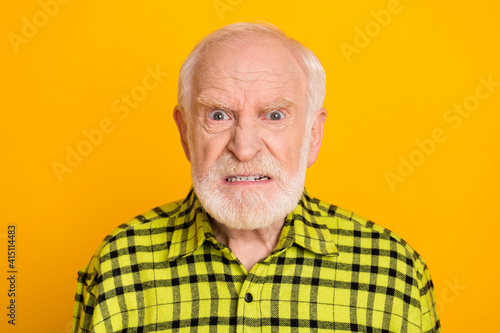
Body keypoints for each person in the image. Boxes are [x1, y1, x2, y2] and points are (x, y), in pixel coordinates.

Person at [72, 22, 441, 332]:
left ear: (313, 135)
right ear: (186, 134)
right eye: (218, 115)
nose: (244, 148)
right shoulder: (116, 267)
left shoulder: (394, 274)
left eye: (274, 116)